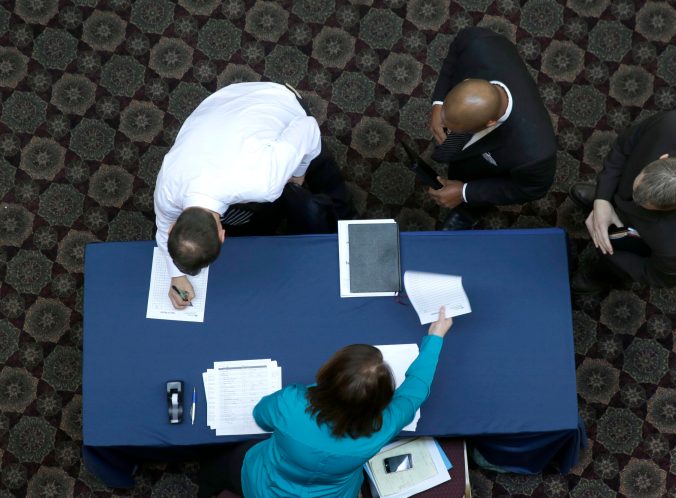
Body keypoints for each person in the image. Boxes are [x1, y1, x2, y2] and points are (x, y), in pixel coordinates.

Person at [196, 307, 453, 498]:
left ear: (328, 374)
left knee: (214, 467)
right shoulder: (384, 425)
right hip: (335, 493)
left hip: (266, 486)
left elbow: (260, 416)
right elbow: (415, 391)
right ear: (380, 401)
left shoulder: (291, 402)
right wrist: (435, 337)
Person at [154, 82, 353, 309]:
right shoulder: (167, 188)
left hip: (276, 103)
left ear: (222, 236)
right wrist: (176, 276)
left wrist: (298, 174)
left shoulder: (263, 181)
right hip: (220, 111)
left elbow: (308, 128)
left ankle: (343, 217)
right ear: (221, 235)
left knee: (325, 182)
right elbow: (162, 227)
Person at [569, 110, 676, 291]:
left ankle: (604, 276)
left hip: (635, 244)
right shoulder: (671, 123)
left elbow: (654, 276)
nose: (633, 203)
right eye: (637, 186)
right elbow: (623, 147)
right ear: (663, 157)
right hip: (615, 201)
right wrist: (602, 199)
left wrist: (607, 249)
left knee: (615, 270)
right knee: (611, 199)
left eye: (646, 206)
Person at [428, 27, 557, 230]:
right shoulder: (479, 43)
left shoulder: (535, 154)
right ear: (468, 82)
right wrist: (437, 105)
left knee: (479, 173)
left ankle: (469, 208)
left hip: (500, 162)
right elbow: (456, 50)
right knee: (458, 154)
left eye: (454, 129)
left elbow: (532, 189)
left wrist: (465, 192)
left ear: (489, 124)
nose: (443, 128)